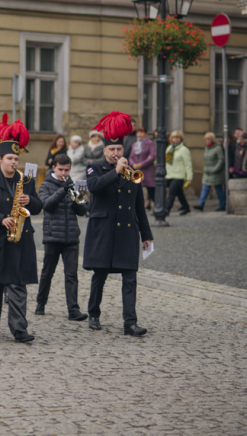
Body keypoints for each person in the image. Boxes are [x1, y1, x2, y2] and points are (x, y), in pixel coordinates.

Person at [83, 111, 153, 337]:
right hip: (104, 232)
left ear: (124, 150)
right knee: (100, 276)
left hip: (126, 233)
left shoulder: (132, 173)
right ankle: (93, 314)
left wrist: (146, 235)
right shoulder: (95, 168)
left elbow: (139, 207)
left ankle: (130, 323)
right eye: (112, 149)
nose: (116, 153)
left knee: (130, 278)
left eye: (119, 150)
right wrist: (116, 171)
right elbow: (94, 187)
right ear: (104, 151)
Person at [0, 120, 42, 343]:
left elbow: (39, 206)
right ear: (0, 159)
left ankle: (19, 329)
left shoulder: (26, 180)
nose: (13, 162)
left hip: (20, 240)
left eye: (16, 159)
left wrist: (30, 200)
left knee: (18, 284)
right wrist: (1, 219)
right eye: (10, 158)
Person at [35, 153, 88, 320]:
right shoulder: (45, 185)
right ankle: (40, 303)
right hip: (53, 236)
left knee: (71, 275)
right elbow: (47, 205)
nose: (64, 173)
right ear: (54, 168)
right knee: (47, 272)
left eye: (67, 170)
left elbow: (82, 211)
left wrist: (79, 197)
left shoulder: (73, 185)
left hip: (71, 237)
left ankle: (73, 310)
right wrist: (63, 190)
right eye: (60, 170)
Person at [165, 130, 193, 215]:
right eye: (174, 137)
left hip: (179, 175)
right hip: (169, 175)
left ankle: (166, 210)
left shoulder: (184, 150)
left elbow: (188, 164)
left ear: (181, 138)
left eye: (177, 137)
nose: (175, 139)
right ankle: (186, 207)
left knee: (172, 192)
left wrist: (189, 177)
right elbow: (166, 161)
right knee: (179, 192)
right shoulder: (169, 148)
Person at [195, 132, 226, 212]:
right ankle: (201, 204)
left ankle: (222, 205)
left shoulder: (217, 148)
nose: (207, 141)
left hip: (216, 172)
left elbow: (221, 160)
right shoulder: (207, 147)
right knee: (205, 188)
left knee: (218, 189)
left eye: (209, 139)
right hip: (207, 172)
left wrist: (215, 169)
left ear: (212, 140)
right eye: (206, 139)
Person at [127, 126, 156, 210]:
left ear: (146, 134)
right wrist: (133, 164)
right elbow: (130, 156)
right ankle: (136, 206)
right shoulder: (134, 144)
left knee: (151, 189)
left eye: (141, 132)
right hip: (136, 170)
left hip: (147, 170)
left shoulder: (150, 143)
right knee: (135, 188)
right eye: (138, 133)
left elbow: (152, 156)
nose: (139, 134)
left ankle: (157, 206)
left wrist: (141, 164)